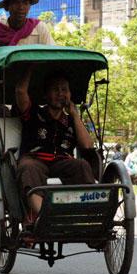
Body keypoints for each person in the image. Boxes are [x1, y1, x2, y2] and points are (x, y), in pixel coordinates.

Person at [15, 70, 95, 217]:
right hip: (35, 160)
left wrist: (75, 115)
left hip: (62, 163)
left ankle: (85, 215)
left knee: (82, 165)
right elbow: (20, 91)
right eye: (55, 90)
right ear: (46, 95)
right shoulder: (34, 113)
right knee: (28, 167)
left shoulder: (71, 120)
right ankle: (43, 217)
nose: (61, 94)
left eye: (65, 90)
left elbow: (87, 146)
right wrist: (31, 64)